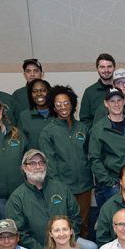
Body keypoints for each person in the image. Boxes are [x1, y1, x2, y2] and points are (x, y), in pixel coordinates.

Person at [38, 85, 94, 238]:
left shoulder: (82, 128)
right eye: (59, 104)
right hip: (63, 187)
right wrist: (58, 186)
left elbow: (90, 155)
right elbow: (49, 163)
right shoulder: (48, 132)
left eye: (66, 103)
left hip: (85, 186)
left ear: (72, 104)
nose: (63, 107)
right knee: (65, 225)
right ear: (53, 107)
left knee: (84, 225)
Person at [6, 149, 88, 249]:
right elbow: (20, 233)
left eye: (41, 163)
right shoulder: (17, 198)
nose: (38, 167)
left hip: (67, 242)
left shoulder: (61, 188)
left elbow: (75, 217)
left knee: (91, 248)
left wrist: (68, 241)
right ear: (24, 168)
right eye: (32, 163)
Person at [89, 89, 125, 211]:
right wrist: (110, 182)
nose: (116, 104)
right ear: (106, 103)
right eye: (112, 101)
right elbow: (94, 159)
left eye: (119, 100)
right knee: (118, 218)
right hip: (113, 184)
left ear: (123, 102)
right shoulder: (99, 129)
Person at [79, 53, 117, 125]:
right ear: (97, 69)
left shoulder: (120, 89)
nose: (106, 70)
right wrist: (95, 131)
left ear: (114, 68)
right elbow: (84, 120)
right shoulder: (89, 92)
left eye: (109, 66)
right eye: (102, 67)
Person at [17, 78, 53, 150]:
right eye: (35, 91)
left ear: (49, 92)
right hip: (34, 157)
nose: (39, 94)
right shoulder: (24, 116)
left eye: (43, 90)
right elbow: (20, 144)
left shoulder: (58, 114)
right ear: (30, 95)